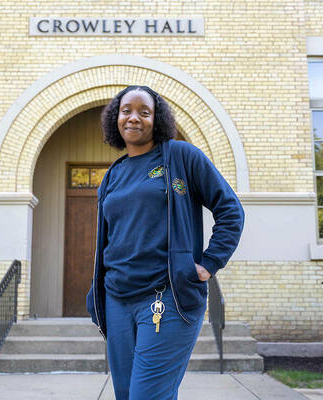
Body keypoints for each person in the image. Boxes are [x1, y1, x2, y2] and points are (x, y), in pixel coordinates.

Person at [86, 85, 244, 400]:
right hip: (117, 299)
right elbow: (108, 238)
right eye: (126, 110)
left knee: (148, 396)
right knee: (126, 393)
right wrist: (98, 290)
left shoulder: (181, 158)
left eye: (144, 112)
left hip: (165, 297)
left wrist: (209, 263)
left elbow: (230, 211)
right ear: (115, 118)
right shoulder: (113, 174)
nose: (134, 118)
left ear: (156, 120)